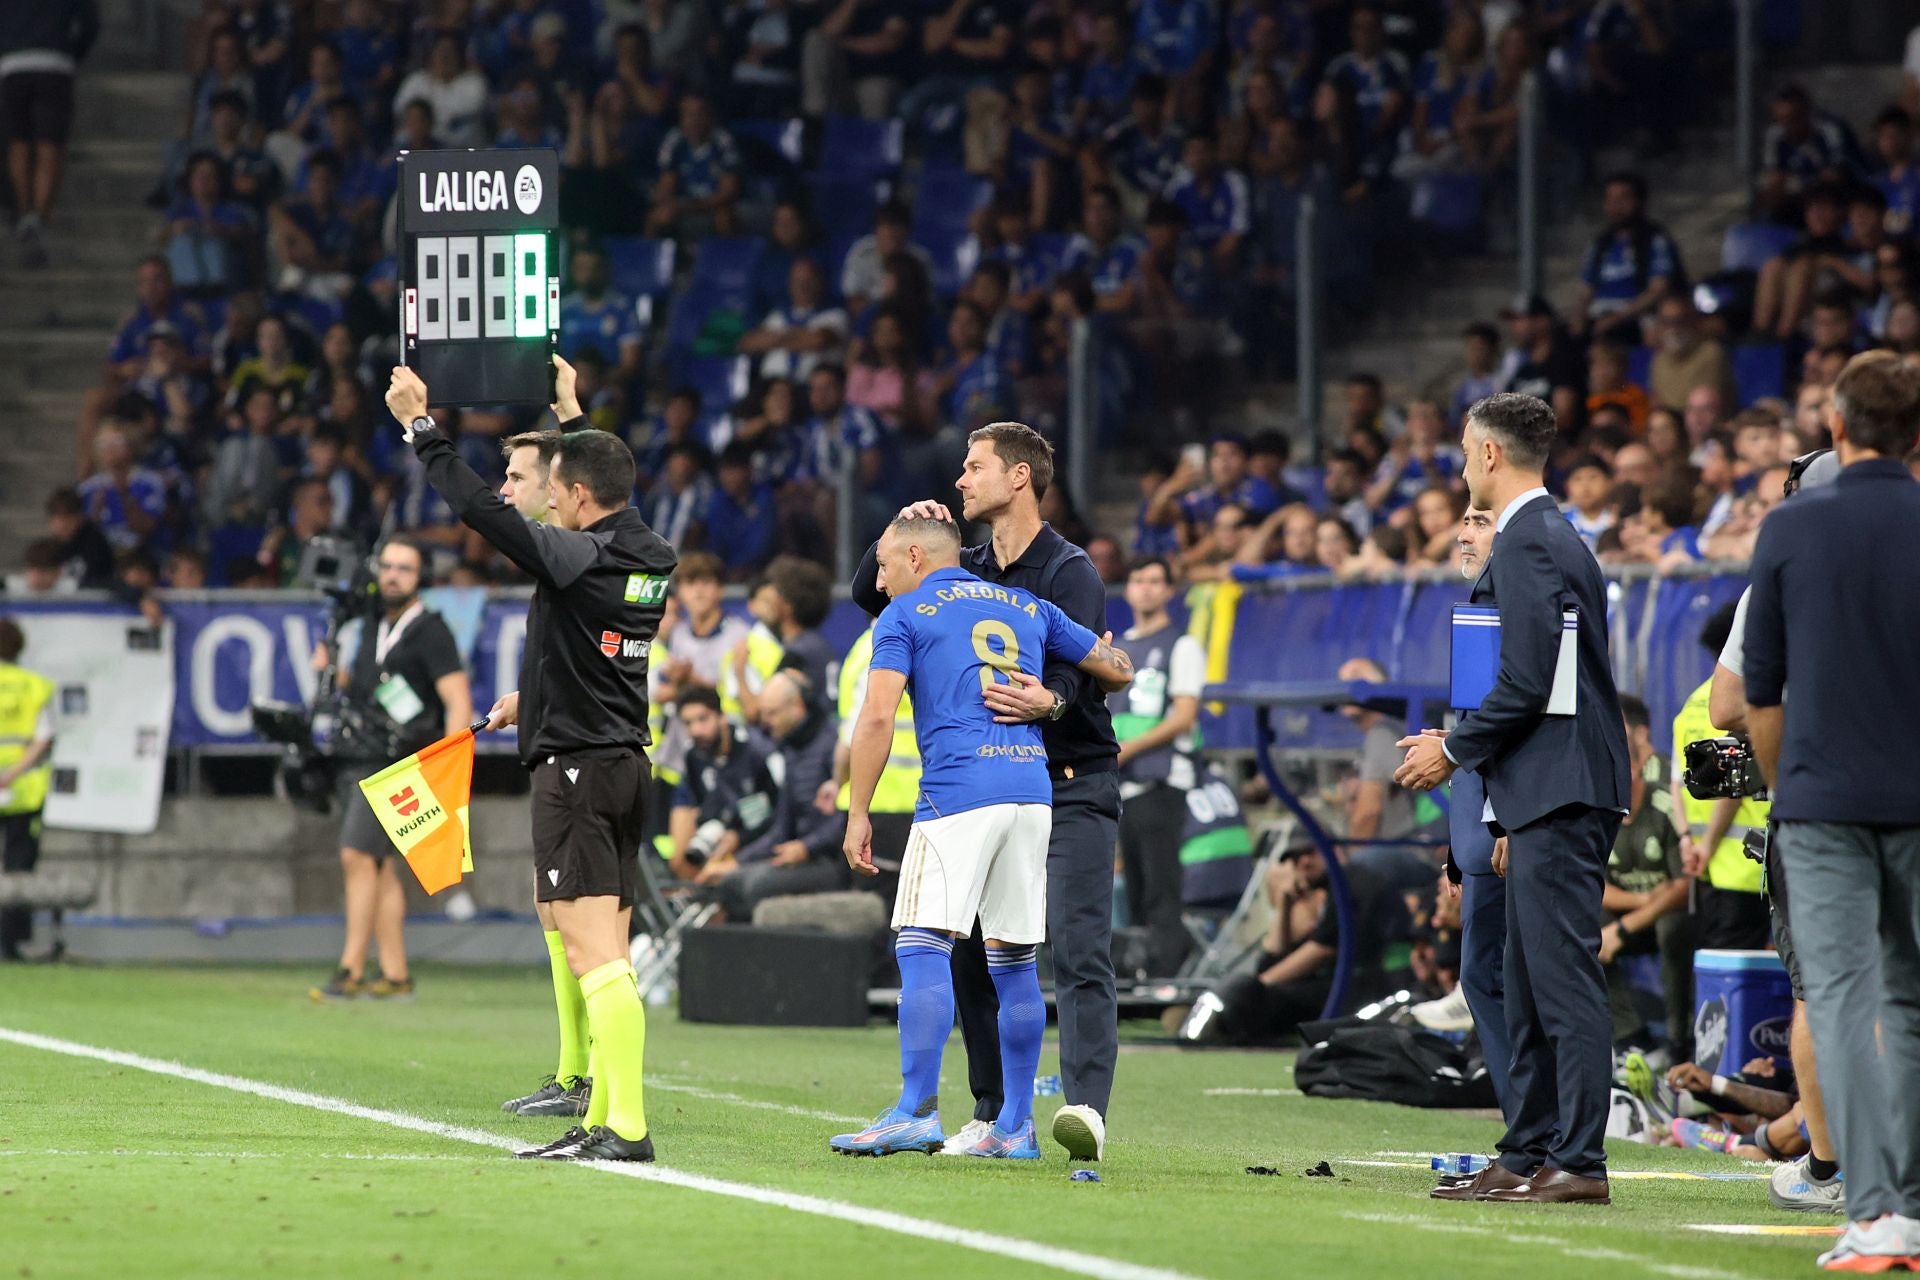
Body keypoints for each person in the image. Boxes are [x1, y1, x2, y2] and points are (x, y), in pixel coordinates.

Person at [385, 361, 676, 1165]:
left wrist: (423, 431)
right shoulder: (647, 548)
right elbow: (605, 487)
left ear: (577, 496)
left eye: (555, 487)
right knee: (604, 950)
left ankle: (623, 1128)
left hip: (579, 772)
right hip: (620, 760)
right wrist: (573, 411)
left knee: (592, 954)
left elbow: (482, 514)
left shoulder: (578, 557)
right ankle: (606, 1118)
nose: (542, 501)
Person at [849, 423, 1123, 1162]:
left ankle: (1056, 1110)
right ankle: (1005, 1119)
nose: (960, 480)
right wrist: (901, 536)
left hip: (1044, 781)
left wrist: (1054, 702)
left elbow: (878, 709)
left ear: (1021, 478)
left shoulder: (1065, 570)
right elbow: (1115, 662)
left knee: (945, 942)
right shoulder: (993, 583)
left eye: (974, 468)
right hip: (1028, 785)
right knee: (1001, 957)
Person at [1398, 392, 1630, 1206]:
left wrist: (1452, 749)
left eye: (1466, 450)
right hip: (1542, 786)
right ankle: (1529, 1150)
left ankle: (1581, 1162)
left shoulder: (1532, 540)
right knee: (1524, 982)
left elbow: (1528, 680)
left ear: (1491, 455)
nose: (1462, 464)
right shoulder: (1543, 536)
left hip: (1564, 788)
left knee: (1560, 978)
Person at [1745, 351, 1920, 1270]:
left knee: (1845, 1003)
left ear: (1840, 427)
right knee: (1914, 1001)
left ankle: (1879, 1209)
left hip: (1821, 804)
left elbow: (1753, 694)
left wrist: (1785, 790)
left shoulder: (1792, 527)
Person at [308, 536, 473, 1002]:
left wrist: (447, 767)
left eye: (405, 567)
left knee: (356, 857)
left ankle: (350, 968)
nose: (394, 575)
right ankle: (396, 973)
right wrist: (330, 666)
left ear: (421, 578)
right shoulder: (371, 624)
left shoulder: (431, 630)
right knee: (377, 867)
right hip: (361, 754)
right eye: (388, 566)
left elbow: (457, 699)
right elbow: (357, 685)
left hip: (403, 762)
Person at [1410, 503, 1514, 1122]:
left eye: (1478, 520)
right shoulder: (1482, 597)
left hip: (1509, 827)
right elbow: (1479, 721)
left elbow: (1526, 713)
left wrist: (1501, 819)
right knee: (1482, 978)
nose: (1462, 533)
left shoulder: (1512, 597)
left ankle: (1540, 1132)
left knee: (1511, 981)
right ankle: (1527, 1131)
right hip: (1483, 826)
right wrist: (1459, 840)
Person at [1111, 555, 1205, 978]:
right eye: (1138, 579)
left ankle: (1166, 979)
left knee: (1162, 888)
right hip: (1125, 782)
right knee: (1134, 888)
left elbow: (1184, 716)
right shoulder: (1119, 648)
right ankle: (1142, 975)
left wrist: (1129, 748)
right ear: (1128, 589)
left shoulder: (1181, 645)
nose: (1146, 588)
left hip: (1161, 779)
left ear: (1169, 590)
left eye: (1155, 581)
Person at [709, 670, 842, 922]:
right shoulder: (791, 750)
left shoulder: (833, 745)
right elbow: (781, 829)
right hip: (798, 856)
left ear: (798, 706)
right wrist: (736, 861)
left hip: (832, 859)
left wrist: (806, 847)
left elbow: (846, 819)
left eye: (772, 713)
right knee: (731, 883)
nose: (765, 722)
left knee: (755, 887)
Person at [1599, 695, 1691, 1052]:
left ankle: (1679, 1041)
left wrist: (1624, 927)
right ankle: (1628, 1039)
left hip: (1671, 915)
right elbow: (1592, 886)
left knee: (1674, 928)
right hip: (1639, 908)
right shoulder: (1597, 814)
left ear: (1640, 770)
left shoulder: (1666, 802)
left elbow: (1683, 886)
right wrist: (1639, 900)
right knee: (1581, 924)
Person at [0, 0, 99, 268]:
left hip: (13, 64)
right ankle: (39, 218)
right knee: (50, 146)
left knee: (18, 143)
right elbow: (90, 24)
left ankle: (23, 210)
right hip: (54, 61)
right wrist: (72, 54)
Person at [0, 618, 54, 960]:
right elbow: (43, 736)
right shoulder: (34, 685)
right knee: (19, 866)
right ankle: (10, 942)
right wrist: (11, 773)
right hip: (23, 788)